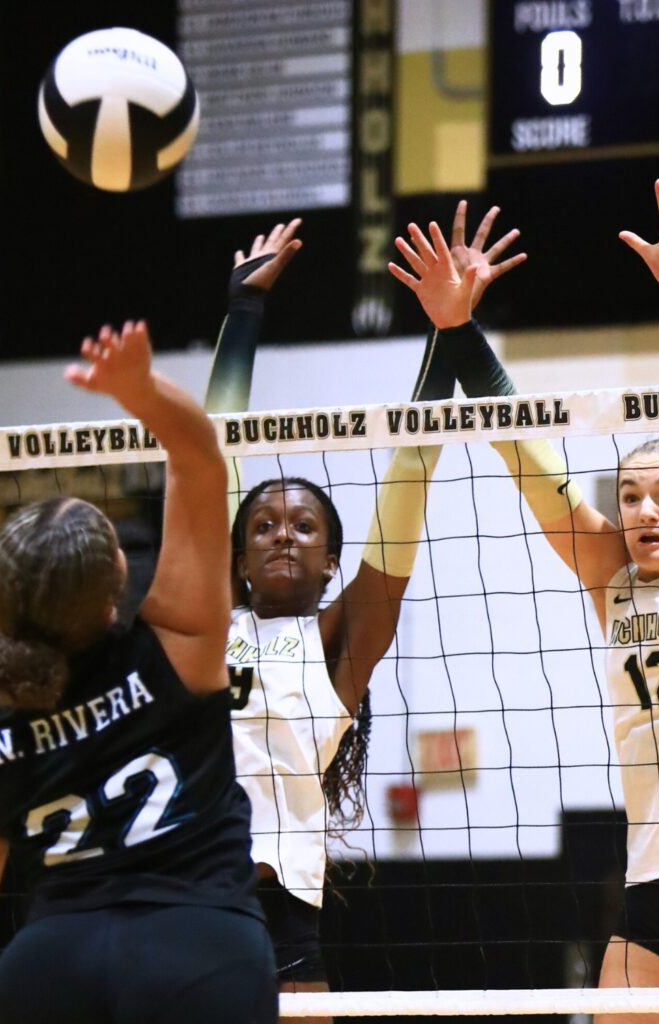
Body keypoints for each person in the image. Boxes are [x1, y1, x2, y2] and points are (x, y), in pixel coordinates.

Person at [389, 177, 659, 1022]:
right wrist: (459, 330)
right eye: (630, 496)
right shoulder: (610, 581)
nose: (648, 510)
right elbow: (526, 456)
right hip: (653, 884)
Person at [0, 321, 277, 1024]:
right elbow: (199, 458)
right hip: (200, 950)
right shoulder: (176, 646)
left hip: (53, 966)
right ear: (116, 578)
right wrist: (140, 392)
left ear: (0, 607)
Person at [203, 211, 525, 1013]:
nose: (282, 534)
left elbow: (412, 466)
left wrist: (449, 329)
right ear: (237, 557)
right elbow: (211, 458)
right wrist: (242, 311)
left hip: (287, 905)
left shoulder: (342, 641)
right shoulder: (207, 620)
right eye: (265, 525)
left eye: (304, 526)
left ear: (332, 561)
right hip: (189, 885)